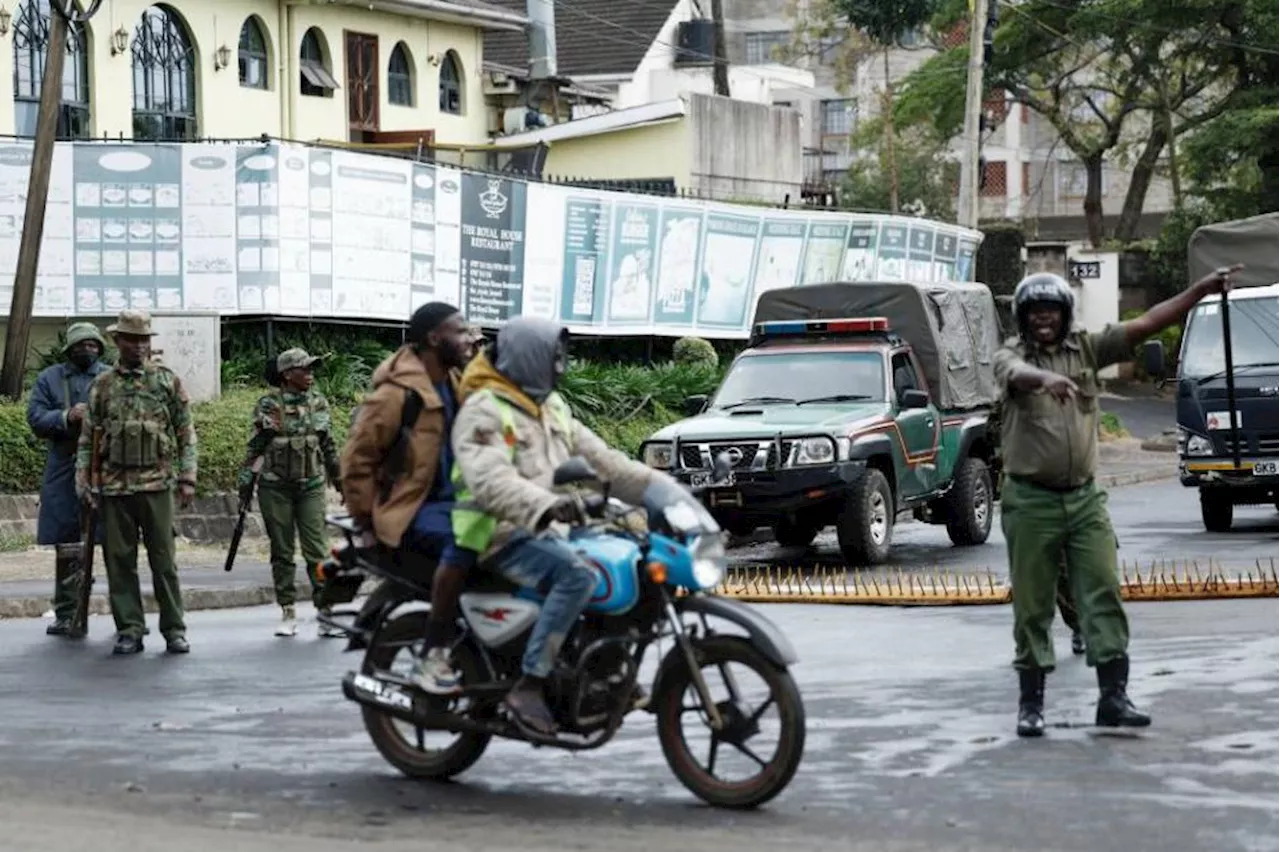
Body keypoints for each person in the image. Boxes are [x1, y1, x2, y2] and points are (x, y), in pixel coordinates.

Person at [996, 265, 1239, 737]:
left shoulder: (1087, 348)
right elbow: (1017, 374)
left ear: (1065, 315)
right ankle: (1031, 704)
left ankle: (1113, 697)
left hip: (1085, 500)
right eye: (1035, 313)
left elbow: (1147, 324)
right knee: (1033, 604)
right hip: (1031, 500)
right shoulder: (1011, 356)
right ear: (1023, 318)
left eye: (1052, 311)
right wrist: (1044, 381)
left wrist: (1197, 291)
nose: (1044, 319)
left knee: (1104, 591)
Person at [451, 316, 675, 736]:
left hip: (548, 527)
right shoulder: (484, 408)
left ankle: (605, 669)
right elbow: (490, 480)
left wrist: (662, 490)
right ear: (529, 357)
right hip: (495, 533)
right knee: (577, 575)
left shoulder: (549, 405)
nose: (560, 365)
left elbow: (603, 462)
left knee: (630, 560)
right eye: (553, 356)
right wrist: (549, 506)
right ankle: (530, 683)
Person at [340, 302, 474, 690]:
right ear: (434, 338)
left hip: (454, 502)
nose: (467, 338)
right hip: (414, 511)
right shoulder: (397, 395)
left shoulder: (453, 382)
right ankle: (433, 654)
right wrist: (365, 521)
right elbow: (356, 460)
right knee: (470, 540)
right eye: (459, 331)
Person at [75, 310, 198, 656]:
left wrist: (188, 477)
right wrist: (84, 482)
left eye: (144, 339)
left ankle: (174, 629)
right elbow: (88, 440)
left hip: (157, 485)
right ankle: (129, 628)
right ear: (118, 341)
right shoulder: (102, 385)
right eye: (132, 339)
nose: (140, 346)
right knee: (119, 562)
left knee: (164, 561)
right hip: (114, 487)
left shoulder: (166, 381)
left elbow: (186, 433)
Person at [238, 348, 342, 637]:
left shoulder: (319, 403)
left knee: (317, 551)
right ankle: (288, 610)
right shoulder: (269, 405)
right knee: (282, 552)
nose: (310, 374)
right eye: (304, 369)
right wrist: (244, 488)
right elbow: (255, 449)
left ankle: (326, 612)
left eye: (311, 369)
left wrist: (341, 481)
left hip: (310, 486)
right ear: (286, 375)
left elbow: (328, 446)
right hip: (275, 488)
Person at [28, 323, 110, 636]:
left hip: (103, 467)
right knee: (67, 543)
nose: (86, 350)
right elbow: (35, 417)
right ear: (69, 349)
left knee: (113, 540)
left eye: (92, 345)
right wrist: (66, 416)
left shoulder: (110, 377)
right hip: (63, 464)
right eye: (79, 345)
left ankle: (125, 615)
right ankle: (66, 611)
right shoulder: (50, 378)